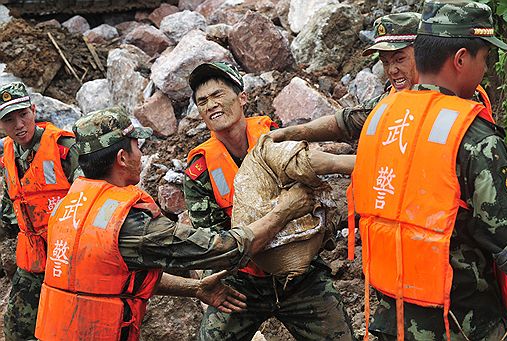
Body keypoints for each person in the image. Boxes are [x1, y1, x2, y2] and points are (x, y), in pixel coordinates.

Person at [34, 107, 314, 341]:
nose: (141, 156)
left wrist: (194, 288)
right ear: (122, 158)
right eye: (137, 147)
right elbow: (222, 249)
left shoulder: (70, 206)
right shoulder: (128, 223)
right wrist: (283, 213)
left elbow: (111, 276)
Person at [350, 1, 507, 340]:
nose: (484, 70)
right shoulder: (473, 137)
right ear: (461, 59)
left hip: (389, 316)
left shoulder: (381, 119)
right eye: (484, 59)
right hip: (461, 322)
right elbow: (505, 238)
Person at [184, 61, 353, 340]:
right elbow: (213, 243)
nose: (211, 104)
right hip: (242, 284)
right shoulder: (200, 172)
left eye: (218, 95)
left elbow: (312, 179)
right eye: (202, 101)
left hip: (300, 278)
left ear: (242, 98)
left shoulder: (274, 139)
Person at [270, 12, 493, 144]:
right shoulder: (394, 99)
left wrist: (329, 163)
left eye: (399, 59)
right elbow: (346, 122)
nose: (392, 70)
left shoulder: (458, 98)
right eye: (385, 62)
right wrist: (286, 134)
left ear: (424, 52)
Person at [0, 81, 82, 341]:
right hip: (34, 259)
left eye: (23, 114)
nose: (19, 125)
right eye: (9, 119)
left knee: (66, 330)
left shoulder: (64, 149)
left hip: (72, 258)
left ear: (34, 110)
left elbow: (94, 197)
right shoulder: (8, 155)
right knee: (16, 328)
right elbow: (9, 205)